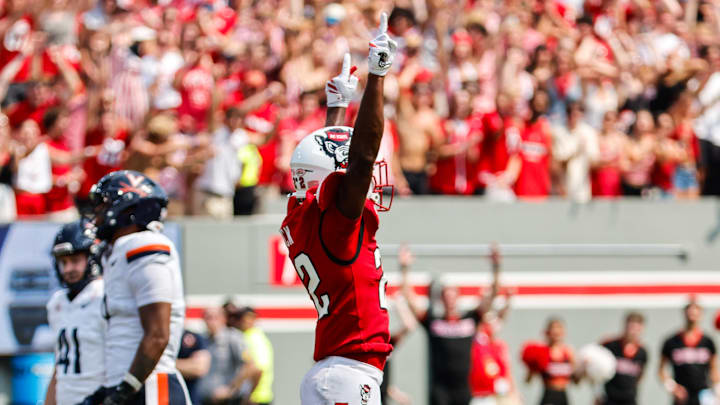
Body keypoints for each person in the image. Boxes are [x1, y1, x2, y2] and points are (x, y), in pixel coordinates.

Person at [280, 13, 397, 405]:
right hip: (348, 372)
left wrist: (336, 110)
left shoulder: (303, 212)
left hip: (340, 370)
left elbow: (327, 160)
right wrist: (376, 76)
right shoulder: (335, 227)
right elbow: (361, 156)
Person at [80, 170, 188, 404]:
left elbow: (157, 335)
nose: (96, 215)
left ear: (127, 208)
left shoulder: (144, 245)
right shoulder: (119, 250)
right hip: (131, 383)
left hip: (151, 387)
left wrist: (125, 390)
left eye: (103, 206)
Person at [401, 243, 502, 405]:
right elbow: (408, 296)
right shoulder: (433, 322)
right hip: (440, 390)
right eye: (446, 296)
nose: (449, 299)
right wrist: (404, 267)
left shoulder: (470, 319)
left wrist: (496, 266)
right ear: (442, 299)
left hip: (464, 389)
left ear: (458, 298)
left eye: (452, 296)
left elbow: (494, 293)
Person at [43, 220, 105, 405]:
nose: (68, 269)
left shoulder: (105, 296)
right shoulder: (57, 303)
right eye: (63, 262)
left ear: (92, 258)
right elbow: (60, 365)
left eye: (75, 261)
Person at [659, 298, 720, 405]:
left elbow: (713, 369)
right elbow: (661, 370)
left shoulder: (708, 342)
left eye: (696, 312)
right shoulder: (672, 342)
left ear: (701, 314)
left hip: (703, 394)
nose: (692, 315)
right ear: (684, 313)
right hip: (681, 396)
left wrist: (717, 389)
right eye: (690, 311)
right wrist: (673, 387)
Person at [197, 307, 261, 405]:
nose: (211, 322)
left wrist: (230, 389)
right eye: (208, 318)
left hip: (229, 400)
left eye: (214, 318)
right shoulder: (203, 339)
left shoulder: (233, 338)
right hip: (206, 400)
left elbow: (250, 365)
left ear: (223, 319)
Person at [523, 318, 576, 405]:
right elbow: (528, 380)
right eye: (553, 329)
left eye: (559, 328)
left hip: (564, 396)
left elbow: (576, 381)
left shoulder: (568, 352)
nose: (556, 332)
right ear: (548, 332)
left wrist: (585, 368)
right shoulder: (542, 352)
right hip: (549, 395)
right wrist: (532, 364)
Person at [598, 312, 648, 405]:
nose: (633, 332)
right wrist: (597, 394)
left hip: (629, 399)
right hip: (609, 399)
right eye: (631, 327)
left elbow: (640, 375)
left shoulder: (642, 352)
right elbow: (595, 364)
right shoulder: (610, 345)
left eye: (637, 329)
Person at [234, 306, 274, 405]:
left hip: (255, 398)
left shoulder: (250, 338)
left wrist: (250, 395)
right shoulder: (259, 336)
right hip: (262, 396)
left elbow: (258, 369)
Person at [176, 330, 212, 405]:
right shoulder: (153, 337)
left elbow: (199, 368)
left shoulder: (193, 337)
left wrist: (165, 363)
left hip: (191, 398)